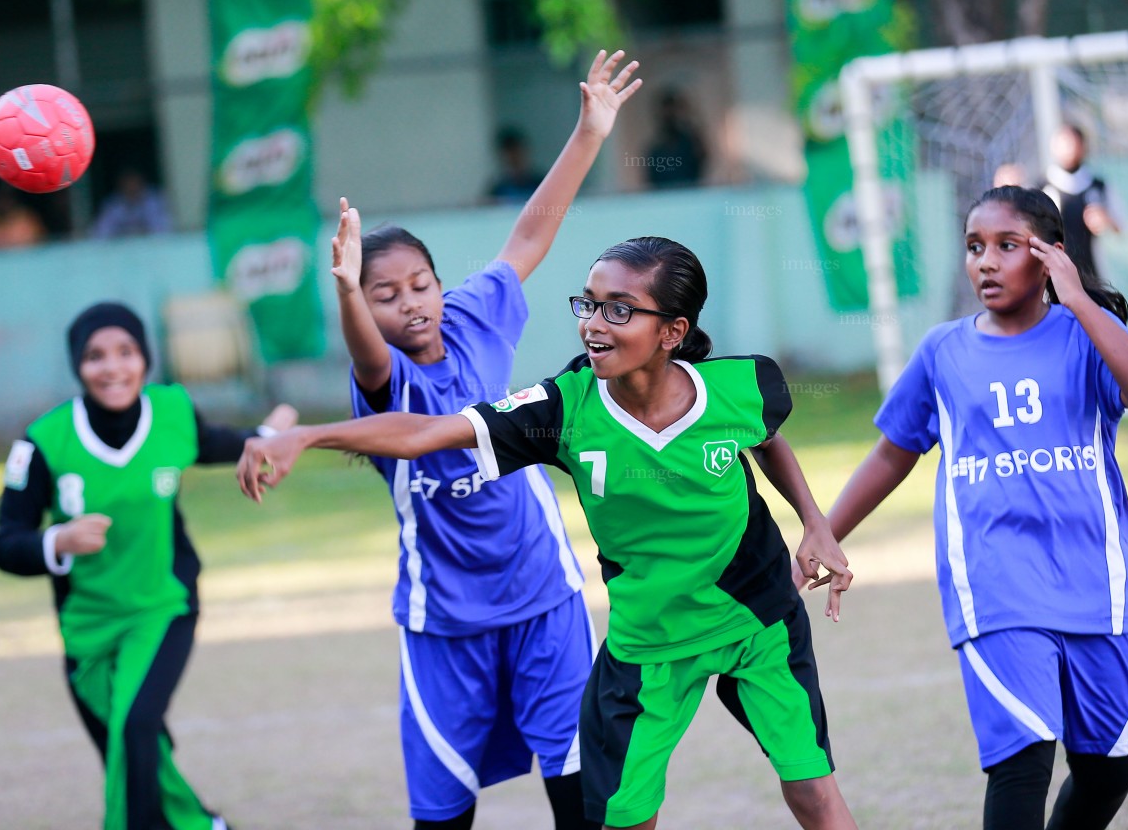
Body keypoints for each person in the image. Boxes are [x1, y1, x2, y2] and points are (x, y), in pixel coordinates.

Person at [238, 235, 858, 830]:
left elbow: (766, 436)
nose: (593, 322)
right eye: (588, 303)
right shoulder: (561, 411)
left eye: (619, 310)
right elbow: (426, 432)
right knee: (624, 816)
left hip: (759, 620)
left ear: (672, 332)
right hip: (649, 647)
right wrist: (308, 435)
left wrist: (816, 524)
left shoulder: (739, 384)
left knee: (811, 789)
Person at [325, 49, 640, 830]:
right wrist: (345, 292)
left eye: (418, 286)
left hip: (544, 598)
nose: (410, 306)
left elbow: (530, 235)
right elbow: (366, 354)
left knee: (584, 796)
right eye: (384, 296)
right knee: (442, 815)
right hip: (445, 624)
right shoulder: (386, 380)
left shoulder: (474, 319)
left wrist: (589, 134)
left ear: (441, 284)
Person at [822, 185, 1128, 830]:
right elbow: (891, 455)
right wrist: (824, 531)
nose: (985, 261)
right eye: (974, 247)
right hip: (996, 583)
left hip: (1098, 582)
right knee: (1023, 759)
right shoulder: (943, 352)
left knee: (1108, 767)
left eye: (1006, 247)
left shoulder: (1087, 336)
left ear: (1049, 257)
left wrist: (1081, 304)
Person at [0, 302, 295, 830]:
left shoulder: (172, 412)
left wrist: (271, 437)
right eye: (95, 356)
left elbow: (222, 443)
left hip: (163, 605)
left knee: (134, 729)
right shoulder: (43, 441)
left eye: (126, 353)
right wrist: (58, 540)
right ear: (77, 366)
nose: (113, 368)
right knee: (134, 748)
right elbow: (5, 544)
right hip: (86, 625)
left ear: (145, 359)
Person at [1042, 123, 1122, 278]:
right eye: (1063, 143)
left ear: (1083, 146)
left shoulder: (1098, 186)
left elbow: (1121, 228)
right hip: (1055, 279)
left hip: (1093, 276)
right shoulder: (1042, 187)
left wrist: (1107, 221)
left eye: (1072, 142)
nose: (1068, 148)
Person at [642, 89, 707, 189]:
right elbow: (650, 181)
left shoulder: (689, 142)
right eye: (666, 112)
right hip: (664, 200)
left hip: (691, 197)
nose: (669, 116)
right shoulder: (655, 149)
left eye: (673, 111)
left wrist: (690, 118)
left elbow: (703, 157)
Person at [90, 169, 172, 239]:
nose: (131, 187)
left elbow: (163, 229)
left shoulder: (153, 200)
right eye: (128, 184)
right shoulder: (113, 205)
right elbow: (100, 232)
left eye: (134, 183)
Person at [484, 127, 546, 203]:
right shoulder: (497, 191)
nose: (514, 157)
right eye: (510, 154)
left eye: (517, 152)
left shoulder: (543, 183)